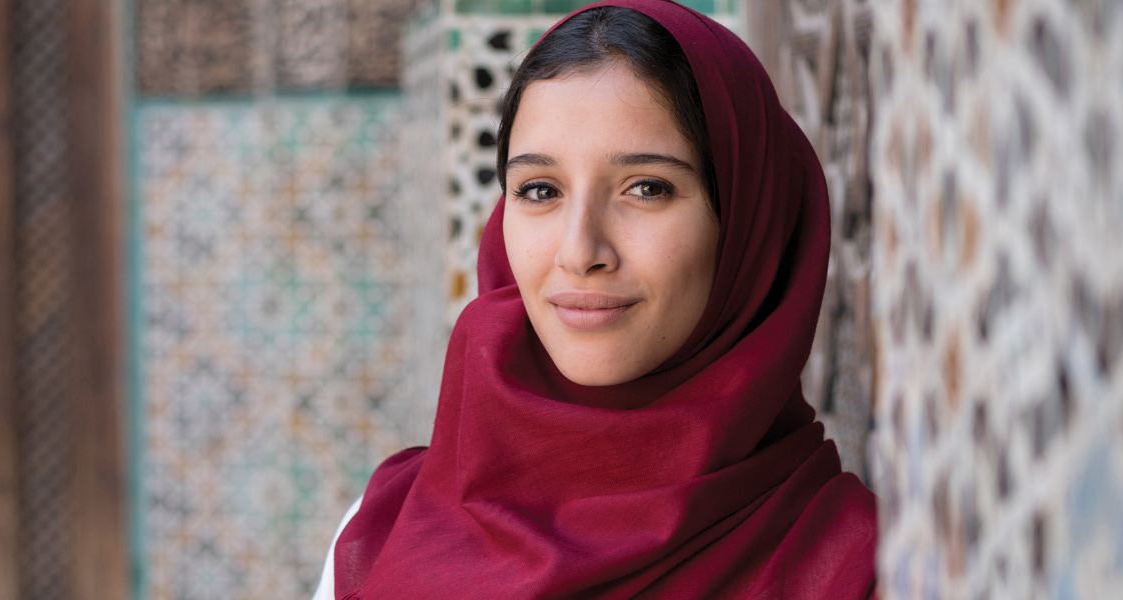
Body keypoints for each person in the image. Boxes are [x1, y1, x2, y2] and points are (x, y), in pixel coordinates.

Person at [314, 1, 877, 598]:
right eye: (539, 189)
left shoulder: (855, 567)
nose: (580, 250)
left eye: (646, 188)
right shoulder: (382, 527)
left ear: (749, 226)